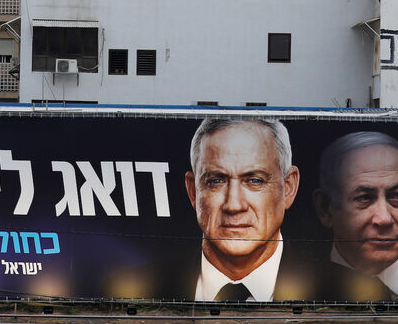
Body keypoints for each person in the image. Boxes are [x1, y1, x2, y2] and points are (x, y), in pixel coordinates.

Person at [105, 117, 337, 301]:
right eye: (216, 180)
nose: (234, 205)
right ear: (193, 191)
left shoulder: (338, 290)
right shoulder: (128, 290)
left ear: (288, 188)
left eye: (254, 180)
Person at [314, 131, 398, 301]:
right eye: (364, 198)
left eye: (397, 196)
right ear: (325, 208)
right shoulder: (298, 285)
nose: (384, 219)